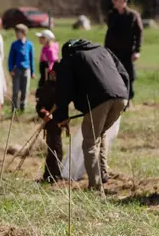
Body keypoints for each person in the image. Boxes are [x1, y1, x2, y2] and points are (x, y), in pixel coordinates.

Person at [52, 39, 130, 190]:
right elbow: (124, 73)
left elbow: (64, 89)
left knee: (89, 143)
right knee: (100, 134)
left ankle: (95, 187)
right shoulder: (103, 50)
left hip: (98, 100)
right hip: (121, 97)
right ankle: (103, 173)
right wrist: (124, 99)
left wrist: (62, 116)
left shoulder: (72, 57)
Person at [105, 0, 143, 100]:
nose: (113, 2)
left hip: (127, 51)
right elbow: (109, 32)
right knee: (113, 74)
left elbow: (139, 33)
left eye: (116, 0)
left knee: (129, 75)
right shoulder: (112, 15)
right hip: (112, 51)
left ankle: (128, 98)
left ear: (123, 0)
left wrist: (137, 51)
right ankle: (115, 97)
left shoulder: (132, 15)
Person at [35, 63, 62, 182]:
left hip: (58, 123)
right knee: (55, 149)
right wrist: (44, 113)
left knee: (55, 149)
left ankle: (50, 175)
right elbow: (40, 106)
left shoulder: (61, 87)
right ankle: (53, 176)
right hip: (50, 123)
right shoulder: (47, 87)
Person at [8, 24, 35, 113]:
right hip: (17, 70)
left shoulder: (29, 44)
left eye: (18, 33)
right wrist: (10, 69)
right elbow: (11, 58)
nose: (16, 34)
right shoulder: (14, 44)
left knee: (25, 90)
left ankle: (23, 108)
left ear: (23, 33)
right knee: (15, 91)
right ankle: (14, 108)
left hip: (26, 70)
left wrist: (32, 72)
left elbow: (31, 58)